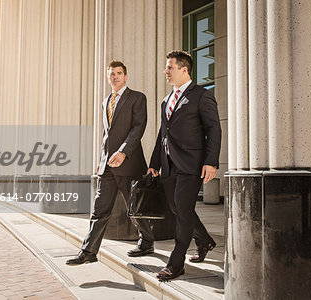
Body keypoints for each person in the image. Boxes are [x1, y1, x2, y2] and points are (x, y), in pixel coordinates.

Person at [66, 61, 154, 265]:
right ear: (108, 78)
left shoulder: (137, 98)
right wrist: (101, 160)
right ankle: (88, 252)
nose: (115, 77)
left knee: (134, 207)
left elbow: (138, 128)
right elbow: (107, 135)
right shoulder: (106, 101)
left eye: (119, 73)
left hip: (128, 163)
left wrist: (123, 152)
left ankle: (147, 240)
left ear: (126, 76)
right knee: (99, 209)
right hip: (107, 166)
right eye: (111, 74)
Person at [148, 51, 221, 280]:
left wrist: (211, 161)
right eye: (166, 67)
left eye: (169, 67)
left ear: (184, 69)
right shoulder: (166, 100)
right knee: (179, 209)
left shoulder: (201, 95)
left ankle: (176, 263)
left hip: (192, 165)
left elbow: (214, 129)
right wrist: (155, 162)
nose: (165, 71)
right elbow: (163, 133)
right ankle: (205, 241)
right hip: (169, 166)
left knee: (182, 212)